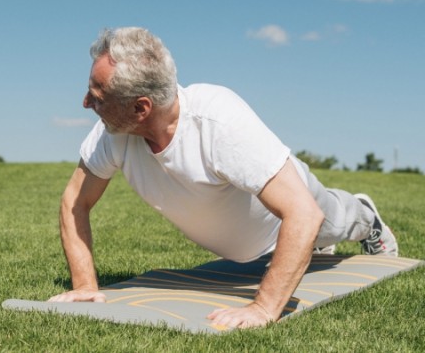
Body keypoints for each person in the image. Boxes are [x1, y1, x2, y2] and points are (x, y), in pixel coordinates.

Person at [48, 27, 398, 329]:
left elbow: (304, 214)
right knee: (311, 228)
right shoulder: (111, 134)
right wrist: (84, 286)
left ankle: (369, 220)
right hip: (245, 241)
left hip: (286, 217)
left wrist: (263, 308)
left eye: (97, 98)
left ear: (141, 108)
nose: (85, 104)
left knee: (336, 219)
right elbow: (74, 203)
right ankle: (317, 245)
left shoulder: (218, 122)